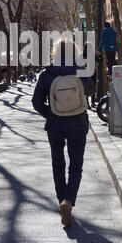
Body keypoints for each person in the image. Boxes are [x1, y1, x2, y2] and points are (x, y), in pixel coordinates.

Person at [32, 40, 89, 227]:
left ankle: (61, 200)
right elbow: (92, 90)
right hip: (78, 124)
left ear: (55, 53)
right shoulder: (81, 70)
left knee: (58, 164)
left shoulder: (47, 73)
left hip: (55, 125)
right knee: (76, 165)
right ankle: (69, 201)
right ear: (75, 52)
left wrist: (50, 114)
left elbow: (36, 101)